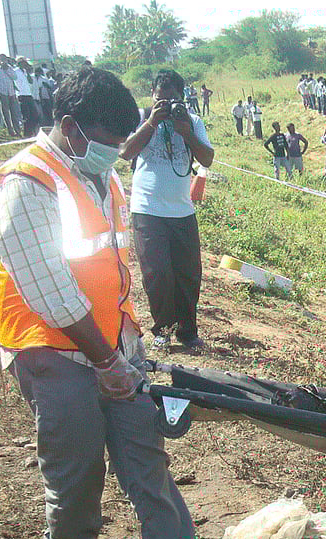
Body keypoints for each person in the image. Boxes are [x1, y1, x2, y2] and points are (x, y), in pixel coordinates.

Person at [0, 67, 236, 539]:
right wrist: (105, 361)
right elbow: (52, 294)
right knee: (75, 462)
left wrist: (125, 348)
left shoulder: (104, 175)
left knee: (145, 452)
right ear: (70, 127)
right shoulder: (24, 184)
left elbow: (110, 267)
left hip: (114, 343)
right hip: (51, 350)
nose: (114, 152)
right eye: (106, 142)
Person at [121, 68, 214, 351]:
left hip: (182, 210)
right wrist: (151, 122)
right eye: (160, 99)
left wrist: (186, 132)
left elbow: (207, 159)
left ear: (182, 99)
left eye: (172, 100)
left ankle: (188, 332)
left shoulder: (192, 121)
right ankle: (163, 330)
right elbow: (125, 152)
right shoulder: (140, 117)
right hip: (147, 208)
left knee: (188, 275)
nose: (166, 105)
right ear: (152, 96)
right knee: (157, 273)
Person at [0, 54, 21, 136]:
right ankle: (10, 130)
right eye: (2, 59)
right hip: (2, 93)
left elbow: (15, 77)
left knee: (14, 112)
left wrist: (7, 69)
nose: (4, 60)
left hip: (11, 92)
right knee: (5, 112)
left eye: (5, 59)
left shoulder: (10, 68)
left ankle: (17, 130)